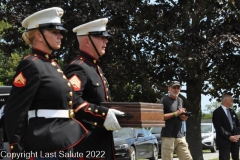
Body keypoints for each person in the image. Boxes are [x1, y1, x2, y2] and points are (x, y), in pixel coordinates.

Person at [4, 7, 88, 160]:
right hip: (43, 147)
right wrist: (17, 151)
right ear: (39, 35)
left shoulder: (52, 65)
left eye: (60, 32)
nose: (60, 36)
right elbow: (14, 112)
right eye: (55, 32)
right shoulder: (31, 65)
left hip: (61, 143)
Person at [64, 18, 124, 160]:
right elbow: (72, 100)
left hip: (100, 143)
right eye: (101, 37)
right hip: (86, 145)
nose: (106, 41)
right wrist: (103, 114)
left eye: (106, 38)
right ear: (86, 41)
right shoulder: (78, 67)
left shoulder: (95, 68)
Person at [160, 81, 192, 160]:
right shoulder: (164, 100)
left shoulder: (180, 100)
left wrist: (183, 118)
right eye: (174, 87)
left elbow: (179, 116)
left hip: (180, 136)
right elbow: (160, 117)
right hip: (168, 136)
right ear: (169, 88)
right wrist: (176, 113)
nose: (176, 90)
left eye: (178, 88)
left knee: (188, 158)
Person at [212, 93, 240, 160]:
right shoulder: (217, 112)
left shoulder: (232, 112)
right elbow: (218, 127)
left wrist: (238, 135)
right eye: (231, 100)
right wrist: (229, 136)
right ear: (226, 100)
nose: (232, 102)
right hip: (224, 142)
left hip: (235, 141)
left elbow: (238, 124)